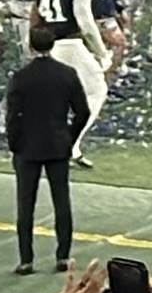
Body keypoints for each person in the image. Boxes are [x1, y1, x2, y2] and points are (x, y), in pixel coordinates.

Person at [5, 35, 92, 274]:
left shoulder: (21, 77)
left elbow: (13, 116)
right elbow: (82, 112)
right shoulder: (67, 74)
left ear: (31, 46)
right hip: (57, 145)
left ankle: (26, 260)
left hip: (28, 147)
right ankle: (63, 256)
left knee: (25, 205)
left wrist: (14, 144)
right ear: (52, 45)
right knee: (61, 201)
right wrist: (69, 138)